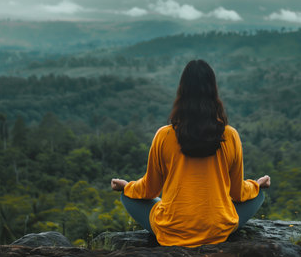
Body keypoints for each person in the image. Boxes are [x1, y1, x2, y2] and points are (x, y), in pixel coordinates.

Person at [111, 59, 271, 247]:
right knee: (258, 195)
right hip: (217, 229)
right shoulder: (230, 135)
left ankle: (176, 218)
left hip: (172, 229)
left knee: (127, 196)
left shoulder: (164, 135)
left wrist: (126, 186)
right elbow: (237, 193)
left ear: (181, 92)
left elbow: (149, 190)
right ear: (214, 91)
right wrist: (256, 185)